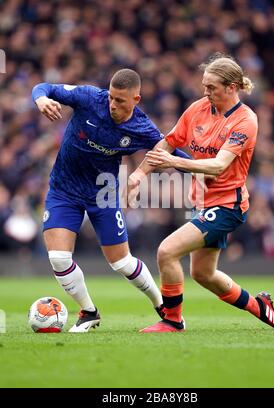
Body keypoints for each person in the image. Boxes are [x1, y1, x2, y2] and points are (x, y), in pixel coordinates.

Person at [127, 54, 274, 332]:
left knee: (166, 252)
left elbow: (217, 166)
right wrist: (139, 174)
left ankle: (172, 320)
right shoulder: (198, 108)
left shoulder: (245, 121)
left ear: (232, 87)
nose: (205, 92)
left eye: (211, 87)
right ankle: (260, 307)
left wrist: (175, 162)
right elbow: (167, 143)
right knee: (203, 274)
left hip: (228, 206)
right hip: (203, 204)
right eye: (204, 86)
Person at [32, 68, 190, 332]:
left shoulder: (142, 128)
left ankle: (162, 305)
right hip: (64, 189)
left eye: (120, 101)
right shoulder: (89, 97)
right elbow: (43, 87)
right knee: (59, 257)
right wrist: (41, 100)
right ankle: (89, 311)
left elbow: (172, 155)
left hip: (102, 195)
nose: (113, 104)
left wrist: (207, 170)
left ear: (136, 100)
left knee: (121, 262)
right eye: (112, 98)